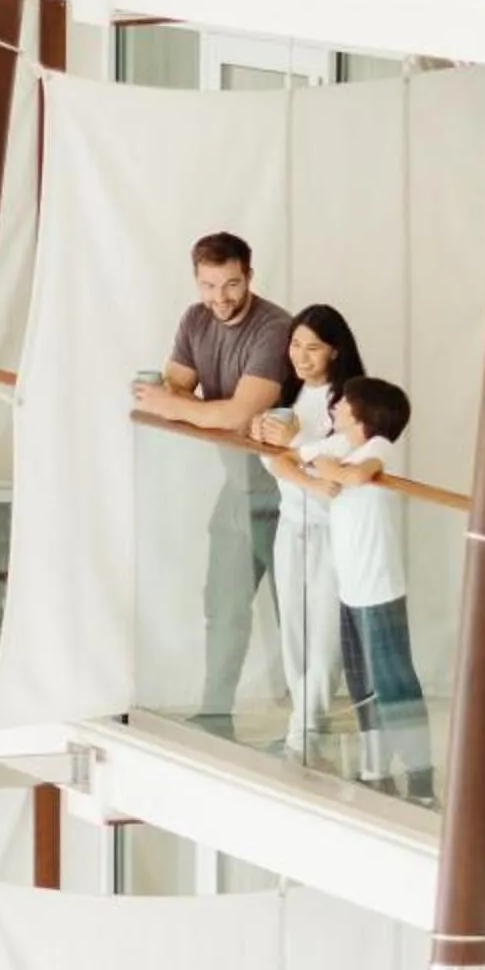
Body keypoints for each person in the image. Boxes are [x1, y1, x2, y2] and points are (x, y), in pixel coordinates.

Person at [131, 232, 294, 735]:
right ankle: (216, 713)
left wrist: (186, 407)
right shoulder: (194, 319)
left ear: (249, 275)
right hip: (235, 491)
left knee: (302, 619)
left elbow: (238, 414)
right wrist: (194, 408)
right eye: (208, 285)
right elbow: (172, 390)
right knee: (223, 607)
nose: (220, 298)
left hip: (289, 494)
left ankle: (313, 726)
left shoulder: (275, 328)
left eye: (231, 284)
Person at [268, 375, 432, 803]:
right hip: (350, 587)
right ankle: (374, 767)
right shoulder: (340, 445)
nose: (335, 407)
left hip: (379, 587)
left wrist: (323, 469)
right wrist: (316, 481)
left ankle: (421, 779)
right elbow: (280, 460)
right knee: (362, 682)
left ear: (365, 414)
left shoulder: (377, 446)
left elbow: (358, 477)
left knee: (395, 683)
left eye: (344, 404)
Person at [249, 305, 365, 760]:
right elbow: (273, 458)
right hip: (291, 524)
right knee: (294, 627)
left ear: (335, 350)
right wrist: (289, 454)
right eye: (296, 345)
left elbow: (338, 467)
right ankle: (302, 721)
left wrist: (293, 450)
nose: (301, 355)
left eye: (313, 347)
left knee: (324, 631)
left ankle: (307, 725)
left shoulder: (349, 402)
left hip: (333, 530)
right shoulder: (290, 397)